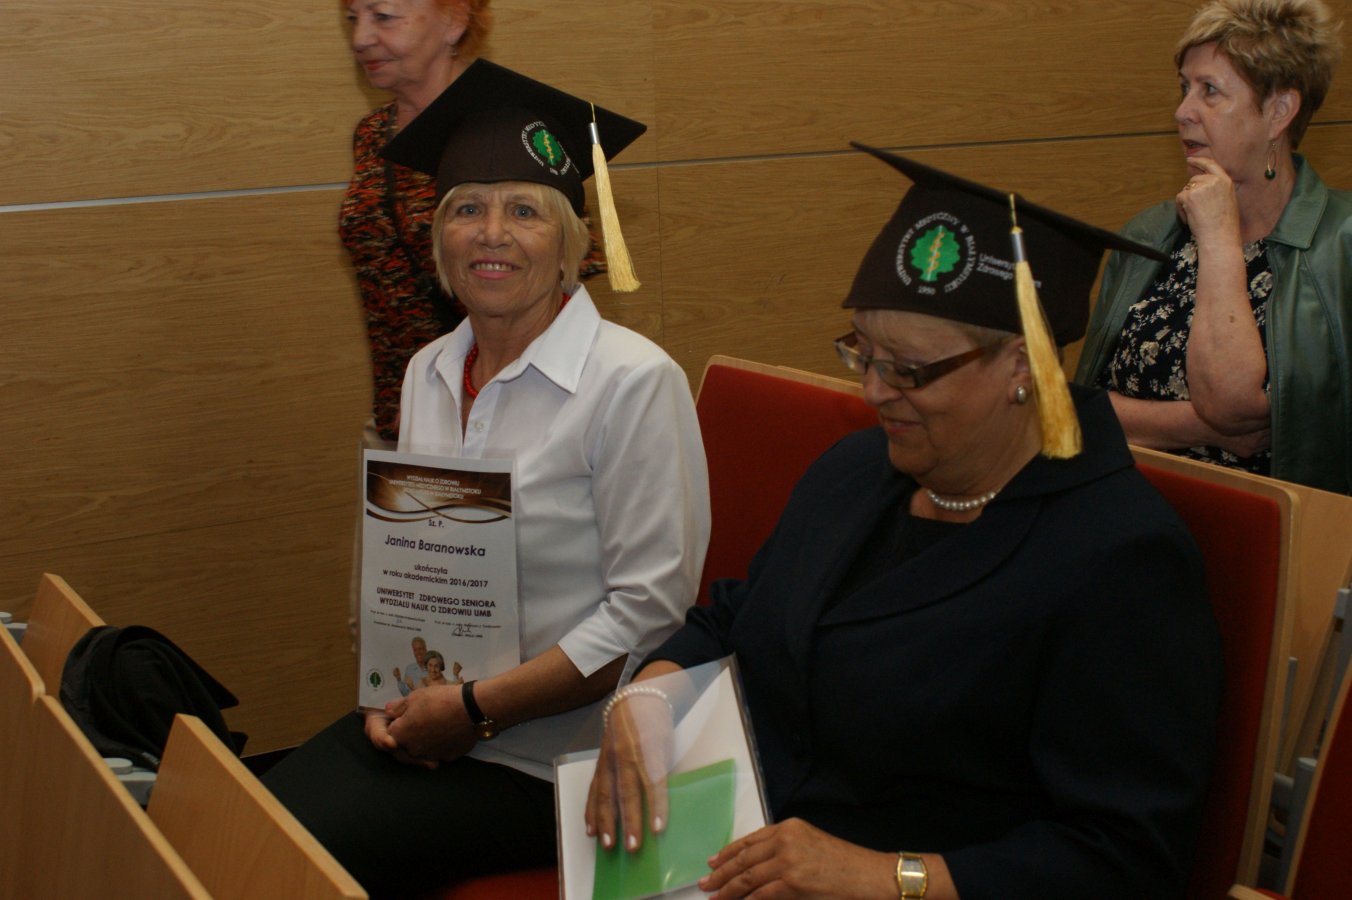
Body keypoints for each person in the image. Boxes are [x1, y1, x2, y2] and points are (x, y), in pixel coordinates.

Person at [586, 148, 1224, 900]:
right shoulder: (856, 470)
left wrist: (888, 876)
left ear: (1022, 367)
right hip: (736, 861)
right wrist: (649, 697)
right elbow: (737, 617)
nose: (873, 391)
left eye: (909, 370)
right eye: (863, 352)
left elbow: (1127, 857)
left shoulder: (1119, 556)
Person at [265, 61, 710, 898]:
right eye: (466, 209)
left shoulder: (633, 382)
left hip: (566, 758)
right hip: (438, 722)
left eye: (525, 212)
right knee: (242, 814)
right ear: (439, 240)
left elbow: (650, 614)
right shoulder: (430, 370)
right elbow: (414, 567)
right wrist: (389, 692)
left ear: (574, 243)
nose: (491, 233)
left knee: (292, 856)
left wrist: (476, 709)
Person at [1076, 0, 1350, 494]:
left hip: (1271, 527)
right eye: (1184, 88)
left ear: (1278, 112)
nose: (1182, 112)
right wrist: (1202, 427)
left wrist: (1220, 236)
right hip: (1121, 510)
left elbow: (1232, 404)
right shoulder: (1148, 232)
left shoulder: (1343, 243)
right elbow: (1085, 409)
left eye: (1210, 91)